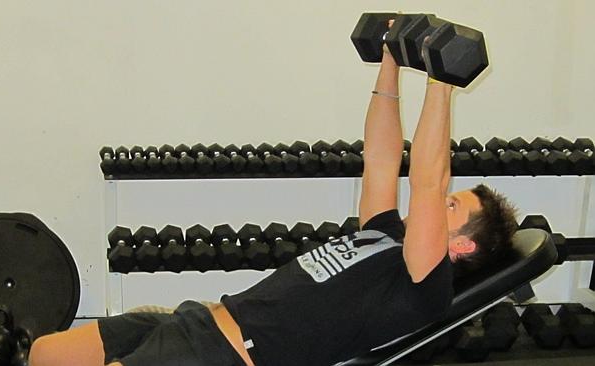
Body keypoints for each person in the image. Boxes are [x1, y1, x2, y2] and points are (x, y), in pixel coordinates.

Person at [28, 31, 517, 366]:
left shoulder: (423, 285)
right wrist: (390, 61)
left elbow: (430, 179)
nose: (441, 201)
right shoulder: (387, 233)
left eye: (454, 207)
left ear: (462, 246)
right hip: (195, 320)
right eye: (449, 198)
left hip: (218, 356)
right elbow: (381, 159)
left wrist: (441, 82)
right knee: (45, 355)